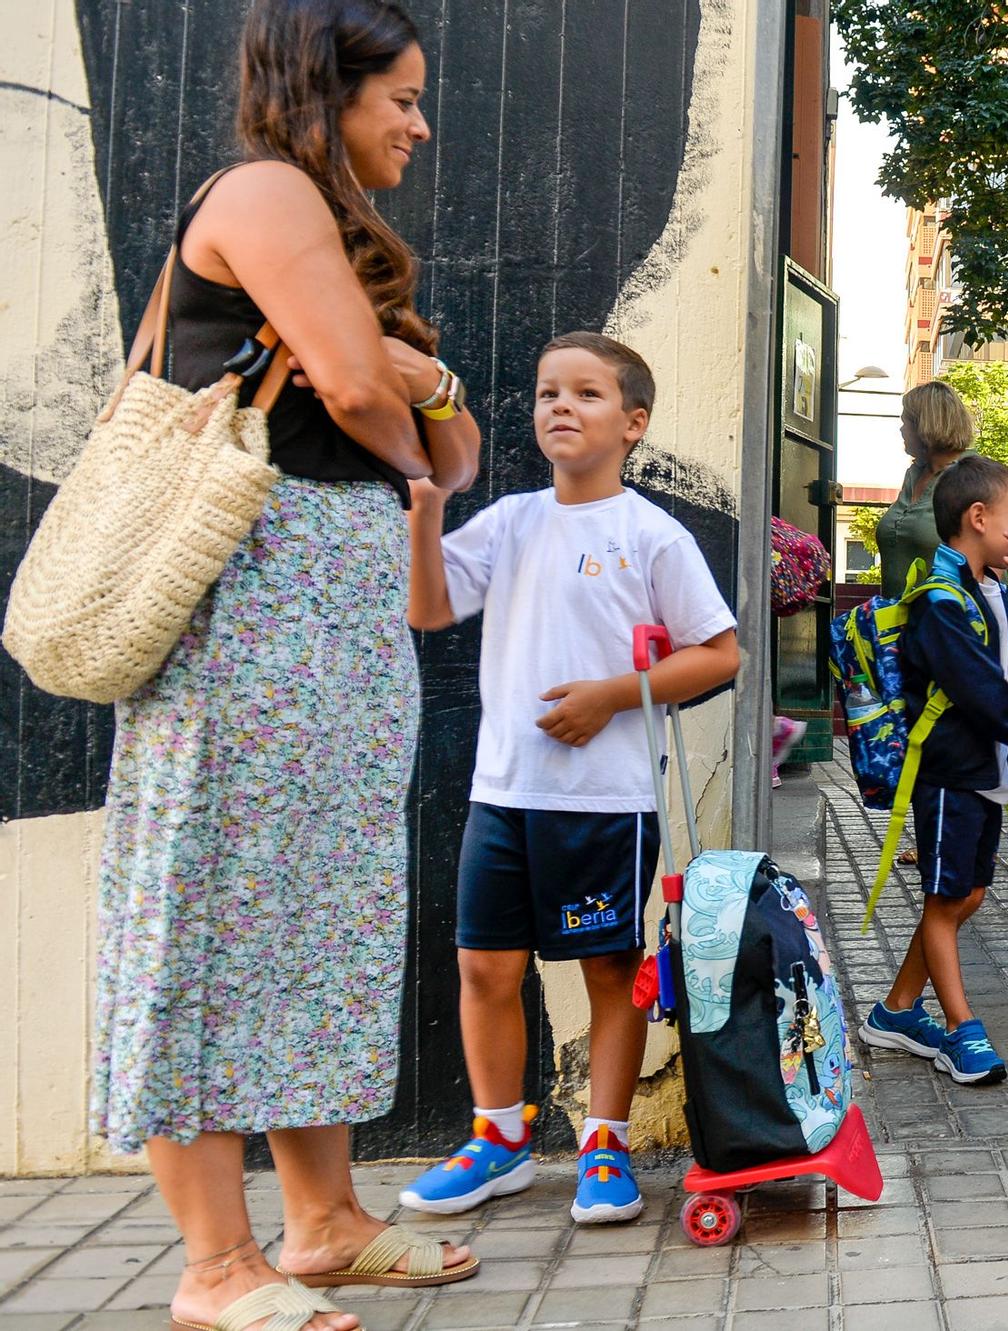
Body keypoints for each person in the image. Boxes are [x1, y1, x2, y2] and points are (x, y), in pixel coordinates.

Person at [89, 5, 485, 1327]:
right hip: (246, 598)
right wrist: (417, 396)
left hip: (324, 604)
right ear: (329, 90)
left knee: (320, 905)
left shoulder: (332, 226)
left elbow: (424, 416)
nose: (421, 126)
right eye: (404, 99)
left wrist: (415, 395)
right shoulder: (263, 191)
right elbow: (361, 387)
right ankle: (215, 1264)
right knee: (208, 906)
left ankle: (322, 1222)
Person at [398, 333, 740, 1222]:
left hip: (606, 805)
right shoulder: (510, 519)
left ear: (633, 424)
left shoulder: (651, 534)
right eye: (549, 391)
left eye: (586, 394)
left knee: (608, 971)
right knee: (484, 967)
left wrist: (614, 697)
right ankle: (500, 1137)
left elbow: (719, 654)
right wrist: (426, 514)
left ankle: (603, 1143)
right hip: (502, 793)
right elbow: (430, 609)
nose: (560, 406)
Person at [858, 456, 1008, 1083]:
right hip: (949, 772)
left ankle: (896, 1010)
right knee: (945, 900)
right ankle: (961, 1030)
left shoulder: (987, 589)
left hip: (982, 770)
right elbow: (980, 692)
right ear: (978, 517)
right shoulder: (941, 601)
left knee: (965, 895)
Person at [877, 381, 976, 599]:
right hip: (896, 627)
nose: (901, 429)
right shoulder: (914, 474)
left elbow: (995, 567)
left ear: (925, 425)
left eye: (906, 422)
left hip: (946, 625)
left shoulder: (975, 477)